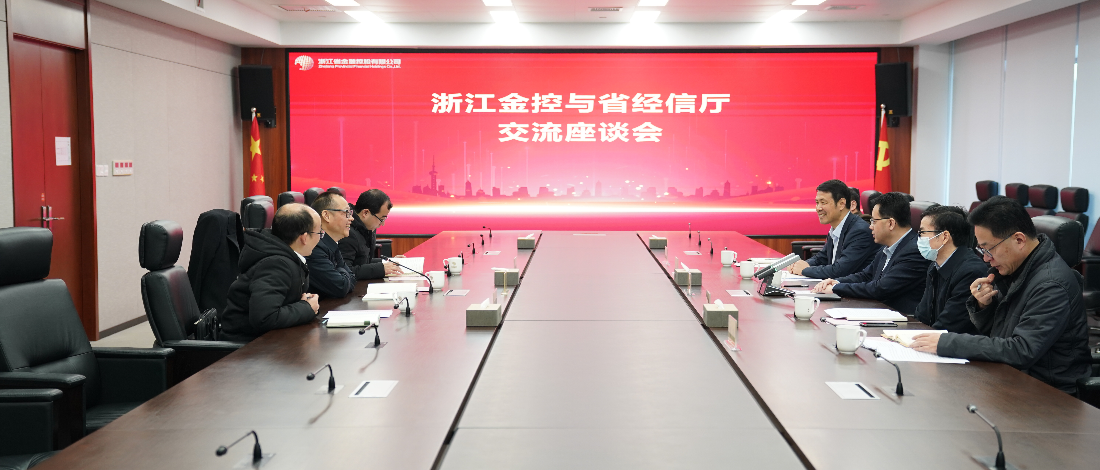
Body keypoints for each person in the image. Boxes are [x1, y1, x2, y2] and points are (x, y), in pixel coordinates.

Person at [910, 196, 1090, 393]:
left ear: (1019, 240)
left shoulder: (1051, 285)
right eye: (981, 250)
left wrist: (946, 342)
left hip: (1047, 392)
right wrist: (984, 307)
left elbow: (1021, 350)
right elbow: (1000, 336)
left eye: (989, 249)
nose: (986, 259)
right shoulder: (1014, 271)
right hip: (1010, 377)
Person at [812, 192, 930, 313]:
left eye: (874, 221)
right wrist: (836, 281)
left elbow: (880, 289)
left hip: (902, 319)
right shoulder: (887, 247)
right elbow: (866, 275)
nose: (870, 226)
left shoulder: (914, 251)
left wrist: (836, 288)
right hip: (880, 312)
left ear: (891, 223)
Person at [220, 203, 321, 342]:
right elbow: (264, 318)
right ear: (304, 238)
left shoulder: (285, 256)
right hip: (246, 346)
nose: (320, 238)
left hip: (267, 340)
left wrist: (305, 303)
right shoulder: (277, 264)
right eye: (319, 233)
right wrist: (306, 308)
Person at [912, 204, 988, 334]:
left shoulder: (971, 271)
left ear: (944, 237)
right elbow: (922, 315)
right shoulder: (934, 266)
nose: (918, 238)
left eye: (922, 233)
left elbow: (949, 325)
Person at [788, 180, 877, 280]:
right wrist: (801, 265)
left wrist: (804, 270)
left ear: (841, 203)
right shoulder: (836, 227)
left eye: (823, 202)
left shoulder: (860, 232)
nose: (818, 208)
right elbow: (822, 257)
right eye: (817, 203)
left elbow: (840, 271)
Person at [339, 189, 404, 280]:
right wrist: (381, 269)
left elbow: (363, 261)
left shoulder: (367, 228)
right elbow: (345, 272)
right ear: (365, 213)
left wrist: (390, 261)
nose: (382, 224)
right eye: (381, 219)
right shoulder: (348, 232)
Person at [307, 191, 357, 298]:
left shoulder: (331, 243)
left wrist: (341, 273)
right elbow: (340, 287)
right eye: (346, 213)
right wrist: (342, 271)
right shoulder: (314, 247)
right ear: (326, 216)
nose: (351, 218)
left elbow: (352, 278)